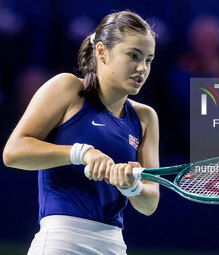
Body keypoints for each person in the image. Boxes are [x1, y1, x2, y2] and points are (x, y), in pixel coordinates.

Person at [3, 10, 159, 255]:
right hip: (60, 242)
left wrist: (131, 186)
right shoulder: (66, 88)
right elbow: (13, 152)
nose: (142, 68)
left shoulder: (145, 117)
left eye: (148, 59)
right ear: (101, 52)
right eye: (133, 55)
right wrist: (81, 153)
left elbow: (150, 202)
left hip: (114, 245)